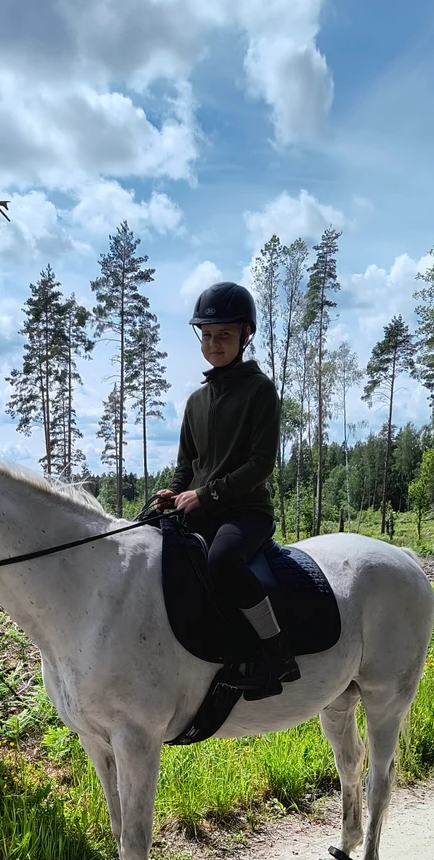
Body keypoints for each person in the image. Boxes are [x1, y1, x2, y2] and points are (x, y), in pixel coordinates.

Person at [155, 281, 300, 695]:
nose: (213, 344)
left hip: (246, 512)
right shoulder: (195, 402)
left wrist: (205, 494)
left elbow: (260, 465)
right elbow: (187, 465)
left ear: (245, 335)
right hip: (200, 510)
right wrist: (172, 493)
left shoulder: (260, 391)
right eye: (206, 335)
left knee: (222, 561)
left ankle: (276, 656)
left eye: (224, 335)